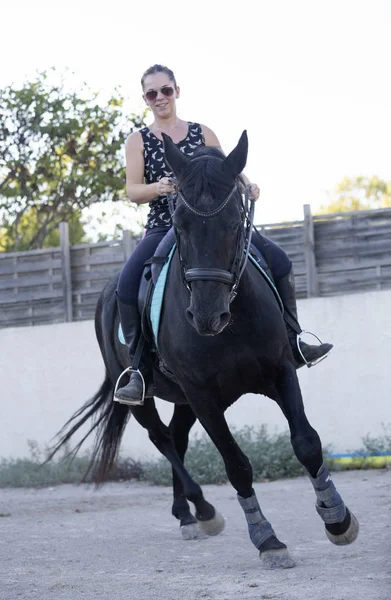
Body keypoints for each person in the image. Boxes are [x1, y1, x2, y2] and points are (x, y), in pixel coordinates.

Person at [114, 64, 332, 405]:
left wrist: (248, 184)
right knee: (126, 285)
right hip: (166, 224)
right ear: (145, 98)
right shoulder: (137, 140)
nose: (160, 98)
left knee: (279, 260)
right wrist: (159, 187)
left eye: (165, 90)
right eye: (152, 93)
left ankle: (294, 341)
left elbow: (228, 169)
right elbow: (132, 190)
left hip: (215, 223)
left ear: (177, 91)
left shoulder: (203, 132)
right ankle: (140, 371)